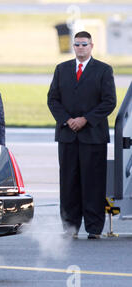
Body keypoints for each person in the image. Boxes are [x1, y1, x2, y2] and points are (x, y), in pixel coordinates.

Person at [47, 31, 117, 240]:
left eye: (84, 44)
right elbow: (53, 99)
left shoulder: (103, 70)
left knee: (93, 182)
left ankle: (94, 228)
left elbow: (109, 101)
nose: (80, 48)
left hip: (93, 136)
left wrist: (85, 119)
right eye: (76, 44)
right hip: (67, 135)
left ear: (91, 46)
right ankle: (70, 226)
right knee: (69, 182)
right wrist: (68, 120)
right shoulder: (62, 69)